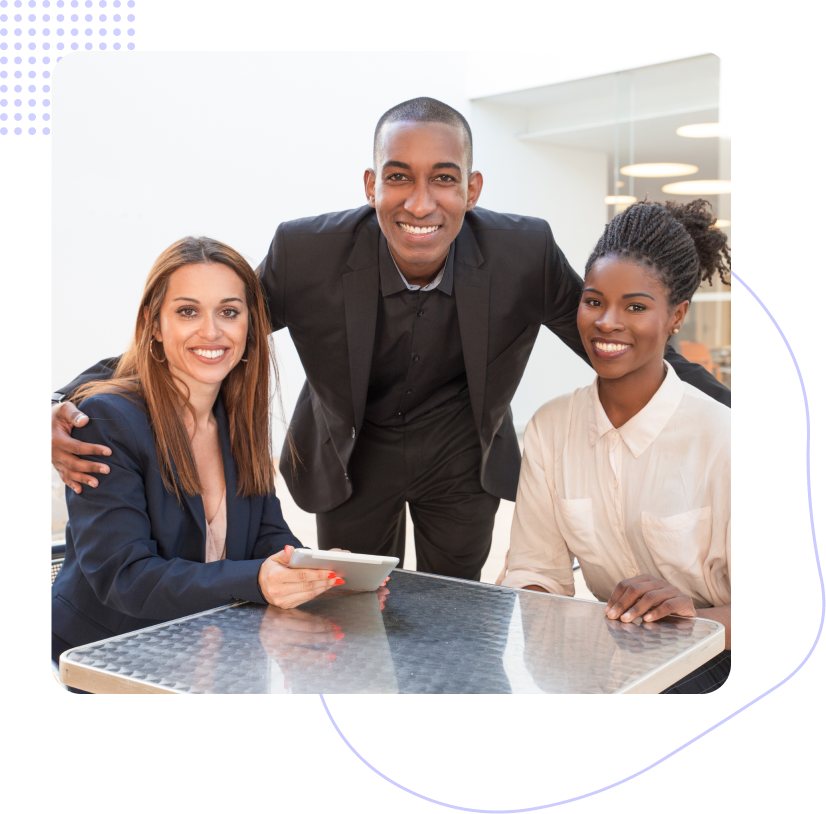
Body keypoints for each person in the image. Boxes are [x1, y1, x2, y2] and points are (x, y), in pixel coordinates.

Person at [50, 97, 730, 583]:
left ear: (473, 187)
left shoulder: (523, 249)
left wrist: (726, 411)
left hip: (462, 457)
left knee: (459, 611)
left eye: (444, 178)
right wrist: (67, 398)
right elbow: (211, 330)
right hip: (350, 455)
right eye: (399, 176)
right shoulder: (309, 250)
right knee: (349, 609)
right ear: (372, 183)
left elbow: (615, 342)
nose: (420, 202)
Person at [51, 237, 358, 689]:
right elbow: (124, 577)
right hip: (108, 666)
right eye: (188, 311)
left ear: (251, 326)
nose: (212, 331)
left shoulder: (236, 419)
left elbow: (265, 534)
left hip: (215, 662)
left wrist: (309, 569)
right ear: (154, 325)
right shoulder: (107, 423)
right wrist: (257, 578)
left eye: (229, 312)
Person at [497, 199, 731, 693]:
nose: (607, 322)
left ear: (676, 317)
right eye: (594, 300)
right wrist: (539, 612)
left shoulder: (720, 437)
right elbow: (534, 570)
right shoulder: (551, 427)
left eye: (636, 307)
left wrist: (699, 617)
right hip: (607, 651)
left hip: (715, 652)